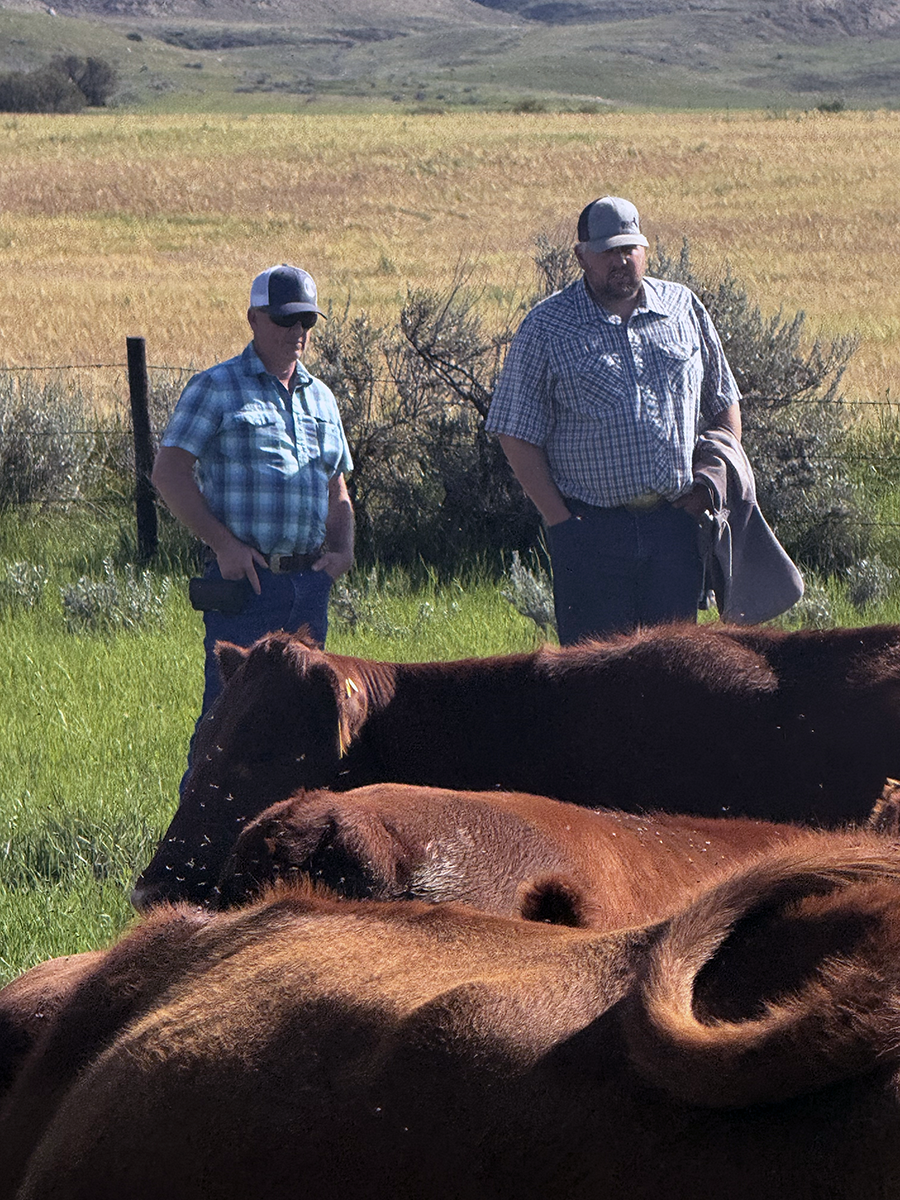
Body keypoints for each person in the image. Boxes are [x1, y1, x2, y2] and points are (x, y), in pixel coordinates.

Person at [485, 195, 742, 645]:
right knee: (592, 684)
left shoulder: (682, 308)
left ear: (645, 250)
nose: (621, 260)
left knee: (672, 674)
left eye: (630, 248)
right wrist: (560, 519)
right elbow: (514, 430)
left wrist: (711, 484)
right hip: (591, 532)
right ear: (581, 256)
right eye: (607, 251)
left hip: (675, 527)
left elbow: (723, 401)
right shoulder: (547, 326)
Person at [152, 262, 354, 744]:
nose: (297, 332)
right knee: (229, 722)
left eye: (306, 321)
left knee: (304, 724)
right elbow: (169, 473)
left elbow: (338, 488)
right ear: (253, 319)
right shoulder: (216, 388)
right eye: (285, 319)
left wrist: (342, 551)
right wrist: (224, 546)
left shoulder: (322, 398)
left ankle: (291, 820)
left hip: (309, 585)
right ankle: (203, 819)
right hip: (247, 586)